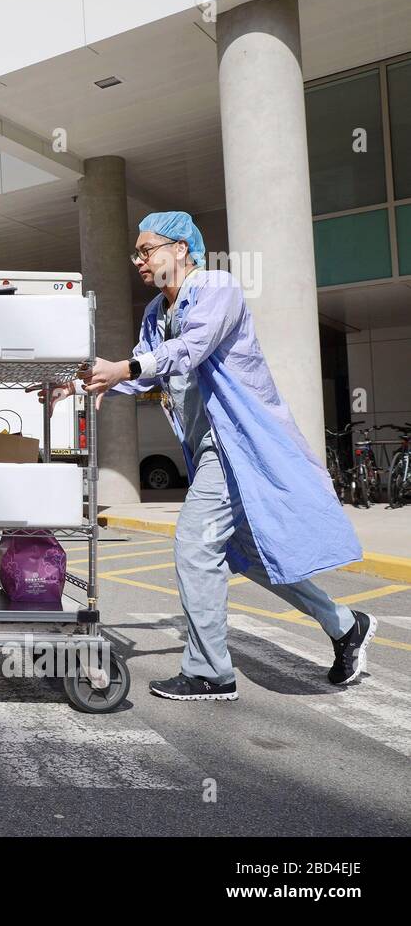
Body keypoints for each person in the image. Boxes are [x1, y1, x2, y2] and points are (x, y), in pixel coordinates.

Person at [45, 211, 373, 702]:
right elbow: (144, 373)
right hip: (205, 448)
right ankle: (346, 625)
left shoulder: (218, 288)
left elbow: (190, 349)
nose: (139, 259)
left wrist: (126, 365)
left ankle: (210, 672)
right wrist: (74, 386)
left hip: (237, 441)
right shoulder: (157, 311)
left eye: (146, 249)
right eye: (136, 253)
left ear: (180, 248)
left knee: (196, 546)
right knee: (253, 555)